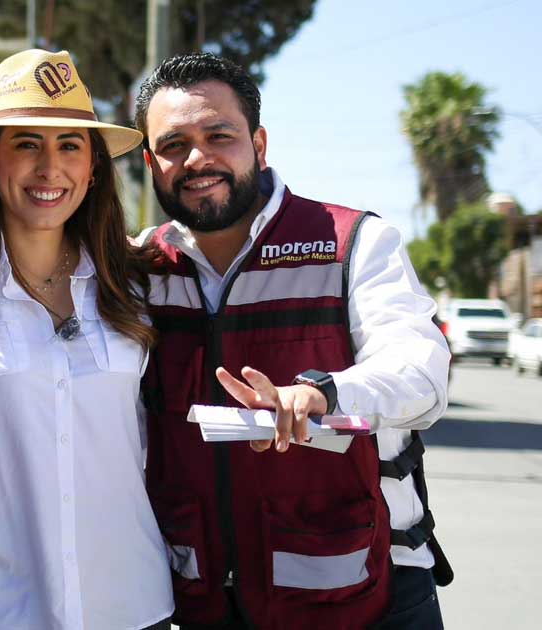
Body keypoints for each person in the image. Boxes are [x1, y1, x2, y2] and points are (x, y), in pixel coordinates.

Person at [134, 53, 452, 629]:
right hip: (197, 600)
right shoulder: (140, 265)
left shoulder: (353, 240)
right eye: (173, 144)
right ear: (150, 163)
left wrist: (322, 393)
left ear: (259, 144)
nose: (197, 159)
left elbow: (421, 376)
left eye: (218, 135)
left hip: (366, 595)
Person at [0, 49, 174, 630]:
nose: (50, 168)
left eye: (70, 145)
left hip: (133, 605)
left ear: (93, 168)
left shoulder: (133, 280)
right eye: (26, 143)